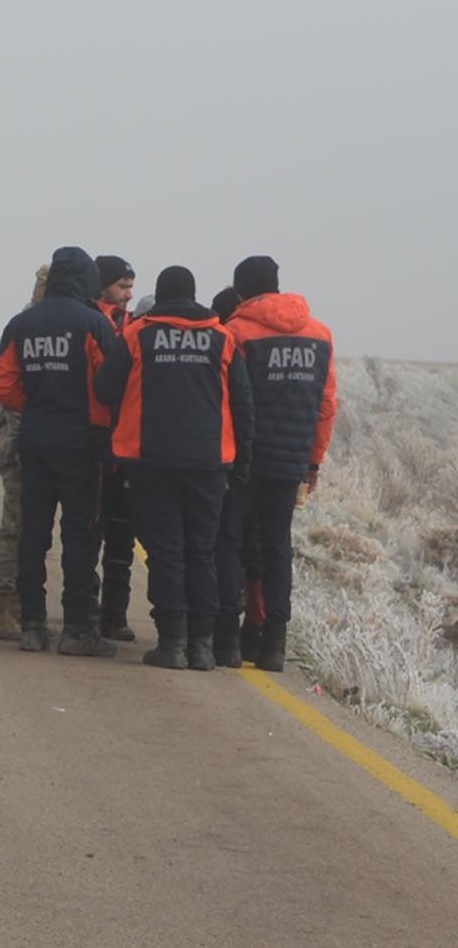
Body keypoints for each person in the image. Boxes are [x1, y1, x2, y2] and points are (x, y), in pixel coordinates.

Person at [0, 247, 131, 656]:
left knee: (34, 533)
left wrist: (36, 405)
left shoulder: (22, 324)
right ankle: (77, 628)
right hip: (82, 443)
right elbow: (111, 383)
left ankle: (33, 626)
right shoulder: (93, 322)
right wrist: (93, 415)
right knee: (79, 534)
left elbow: (1, 384)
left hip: (35, 441)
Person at [113, 266, 236, 672]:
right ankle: (202, 646)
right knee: (202, 551)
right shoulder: (223, 338)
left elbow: (105, 387)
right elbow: (243, 402)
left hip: (152, 459)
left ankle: (172, 643)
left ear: (160, 298)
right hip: (210, 461)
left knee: (166, 552)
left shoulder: (137, 335)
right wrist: (241, 462)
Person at [224, 254, 337, 675]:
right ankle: (274, 643)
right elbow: (327, 405)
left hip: (244, 457)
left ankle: (226, 640)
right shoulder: (320, 334)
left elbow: (227, 399)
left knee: (231, 542)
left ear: (240, 291)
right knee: (276, 547)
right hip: (290, 461)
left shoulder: (237, 332)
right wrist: (313, 461)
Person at [0, 265, 53, 641]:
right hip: (19, 445)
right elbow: (10, 393)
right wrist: (26, 446)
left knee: (26, 526)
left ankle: (16, 603)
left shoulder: (35, 325)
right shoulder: (28, 328)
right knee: (16, 525)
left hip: (24, 442)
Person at [208, 283, 262, 666]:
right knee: (263, 547)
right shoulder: (312, 335)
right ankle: (259, 634)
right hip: (276, 461)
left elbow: (234, 406)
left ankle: (217, 632)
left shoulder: (229, 340)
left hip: (227, 460)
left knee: (221, 544)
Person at [92, 255, 142, 642]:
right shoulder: (92, 322)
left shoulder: (132, 327)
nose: (128, 294)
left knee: (121, 536)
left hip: (123, 447)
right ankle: (85, 611)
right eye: (122, 286)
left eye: (131, 287)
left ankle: (113, 614)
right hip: (93, 441)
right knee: (88, 532)